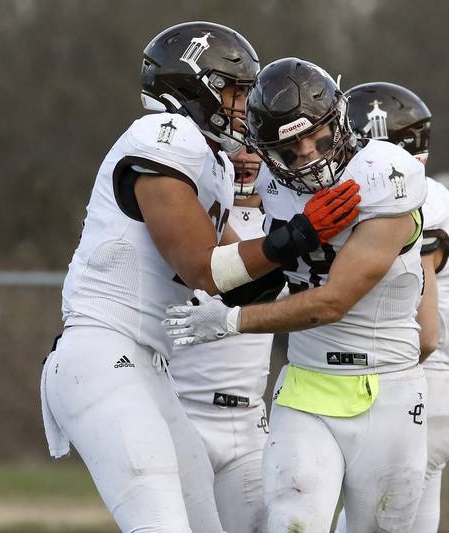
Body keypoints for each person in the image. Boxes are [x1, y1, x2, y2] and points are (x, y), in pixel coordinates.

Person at [40, 26, 360, 533]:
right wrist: (299, 234)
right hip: (102, 352)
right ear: (193, 88)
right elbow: (202, 269)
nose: (243, 106)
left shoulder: (211, 164)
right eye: (235, 91)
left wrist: (318, 256)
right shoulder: (163, 137)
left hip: (150, 364)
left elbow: (240, 276)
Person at [164, 58, 429, 532]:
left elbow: (333, 302)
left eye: (319, 137)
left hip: (387, 388)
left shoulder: (384, 173)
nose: (309, 154)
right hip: (307, 384)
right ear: (266, 154)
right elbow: (228, 233)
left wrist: (231, 321)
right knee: (291, 522)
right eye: (289, 148)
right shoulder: (266, 182)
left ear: (341, 121)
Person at [335, 82, 449, 533]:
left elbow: (426, 333)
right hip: (430, 390)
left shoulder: (419, 201)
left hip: (420, 386)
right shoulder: (423, 194)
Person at [168, 146, 279, 533]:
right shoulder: (184, 212)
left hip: (248, 420)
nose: (246, 157)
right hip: (181, 412)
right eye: (236, 145)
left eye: (256, 146)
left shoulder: (283, 223)